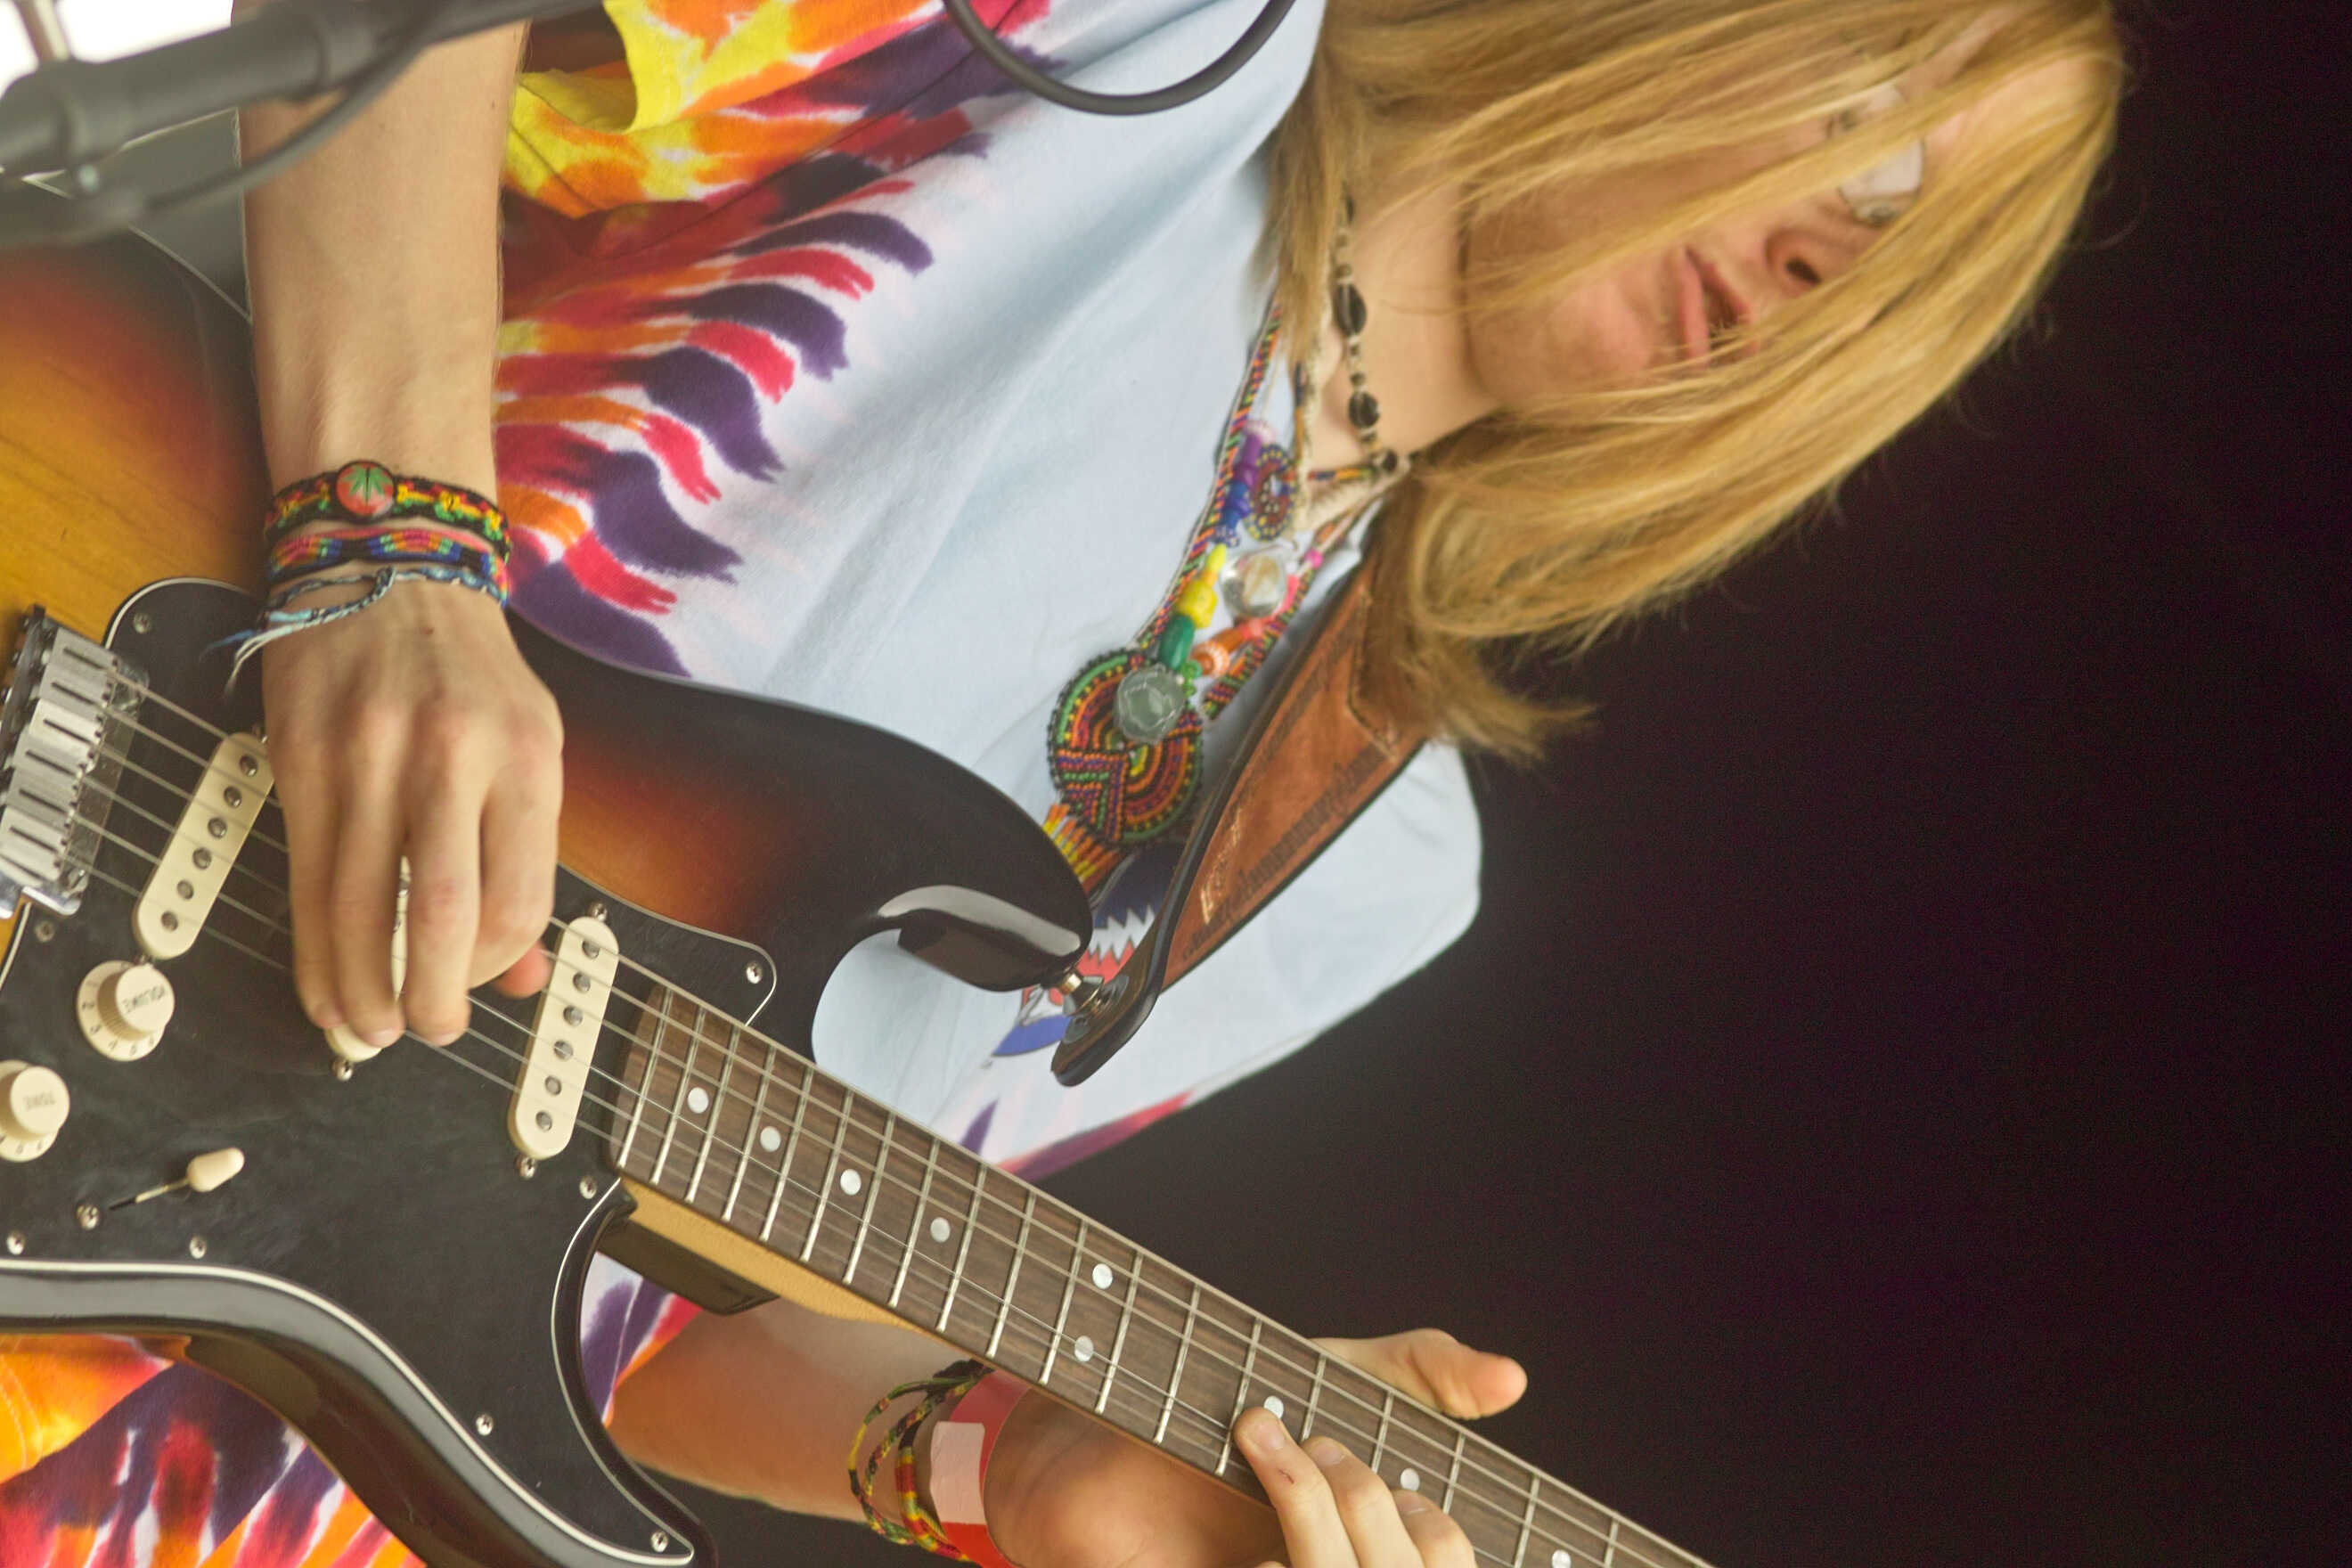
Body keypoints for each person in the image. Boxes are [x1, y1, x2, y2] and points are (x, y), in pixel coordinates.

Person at [0, 0, 2121, 1564]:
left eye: (1915, 268)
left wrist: (1006, 1462)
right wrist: (393, 547)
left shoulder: (1378, 855)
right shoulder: (1151, 43)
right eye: (1869, 132)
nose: (1834, 261)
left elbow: (625, 1283)